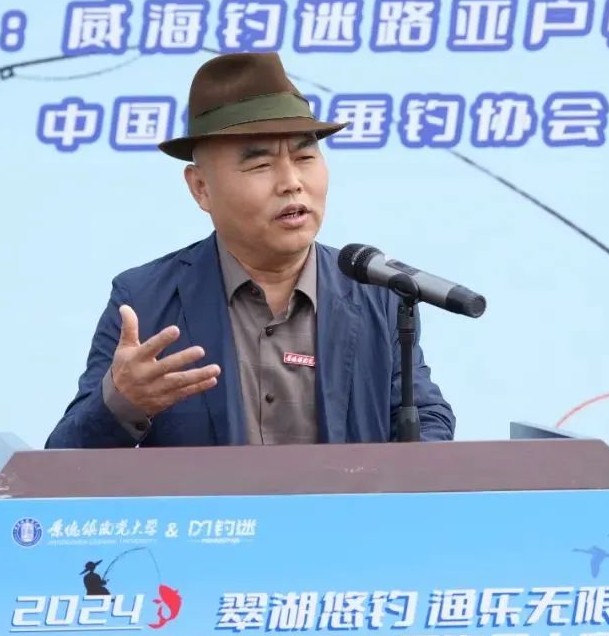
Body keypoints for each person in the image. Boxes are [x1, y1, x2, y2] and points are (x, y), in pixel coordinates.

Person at [44, 51, 455, 449]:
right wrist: (122, 403)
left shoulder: (377, 293)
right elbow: (64, 458)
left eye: (305, 156)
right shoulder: (145, 300)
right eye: (260, 165)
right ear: (201, 188)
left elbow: (426, 414)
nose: (291, 182)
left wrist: (410, 469)